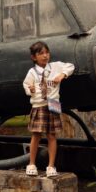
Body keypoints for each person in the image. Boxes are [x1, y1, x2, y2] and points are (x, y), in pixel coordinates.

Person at [22, 41, 74, 177]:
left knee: (52, 135)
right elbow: (26, 84)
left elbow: (70, 66)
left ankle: (51, 166)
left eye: (47, 52)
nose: (45, 56)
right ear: (34, 57)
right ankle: (31, 163)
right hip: (39, 105)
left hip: (53, 103)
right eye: (41, 54)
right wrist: (30, 89)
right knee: (36, 134)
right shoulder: (32, 72)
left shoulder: (55, 66)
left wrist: (62, 75)